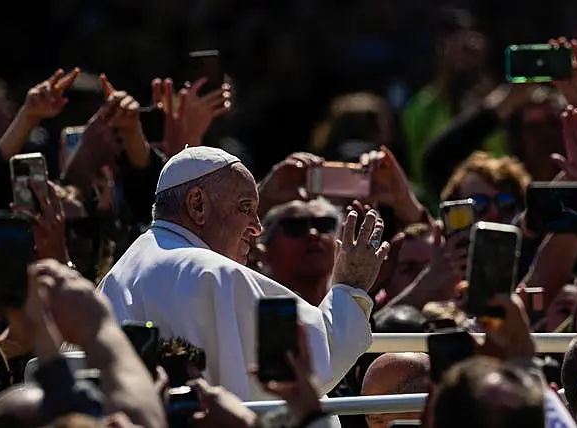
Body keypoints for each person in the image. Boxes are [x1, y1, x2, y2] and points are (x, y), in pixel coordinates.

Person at [98, 146, 390, 401]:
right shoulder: (214, 272)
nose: (257, 227)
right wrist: (351, 286)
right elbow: (312, 362)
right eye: (245, 207)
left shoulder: (119, 272)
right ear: (197, 205)